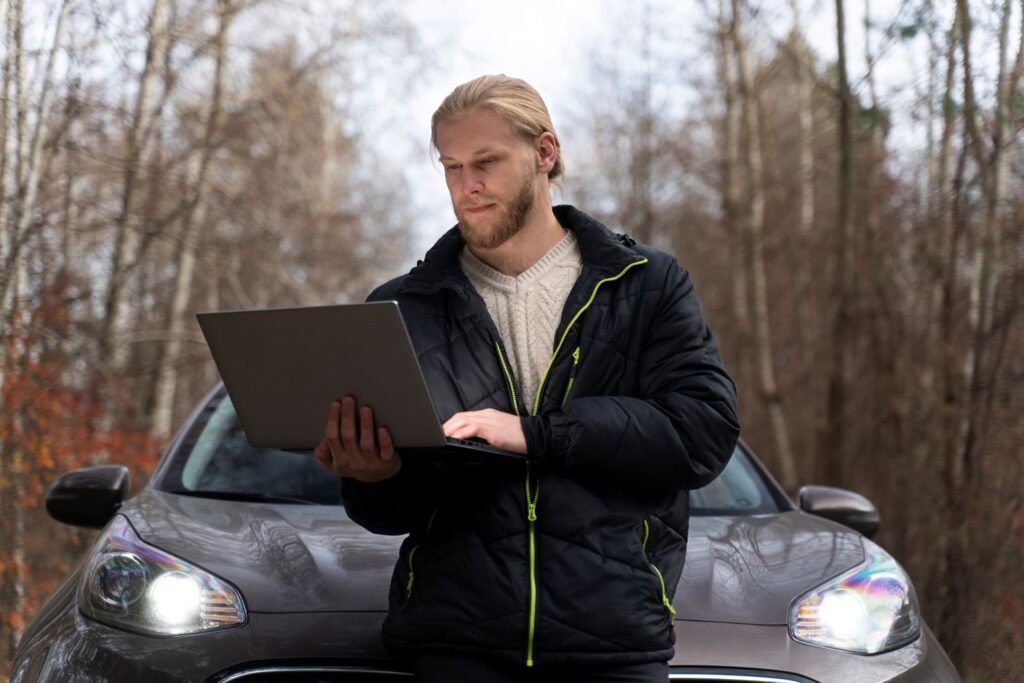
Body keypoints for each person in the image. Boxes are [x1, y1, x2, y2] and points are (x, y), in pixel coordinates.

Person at [313, 75, 740, 682]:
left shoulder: (647, 284)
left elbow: (702, 433)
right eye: (452, 166)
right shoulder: (401, 307)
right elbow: (390, 514)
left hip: (614, 646)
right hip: (455, 647)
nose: (468, 186)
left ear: (544, 153)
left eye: (486, 162)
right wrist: (373, 476)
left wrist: (538, 434)